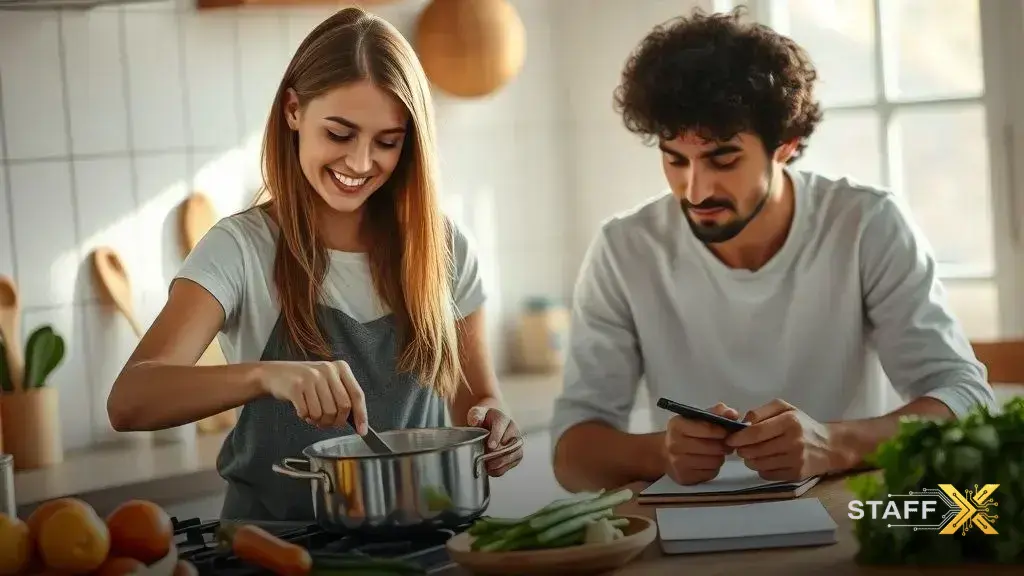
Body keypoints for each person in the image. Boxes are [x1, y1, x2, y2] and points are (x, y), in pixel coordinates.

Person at [550, 8, 997, 493]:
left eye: (723, 158)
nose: (695, 191)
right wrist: (659, 451)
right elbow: (572, 457)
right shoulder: (624, 249)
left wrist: (834, 443)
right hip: (693, 529)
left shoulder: (866, 224)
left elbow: (967, 397)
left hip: (847, 515)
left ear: (785, 144)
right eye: (675, 159)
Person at [106, 7, 523, 521]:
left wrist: (495, 425)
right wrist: (265, 377)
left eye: (387, 142)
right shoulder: (241, 248)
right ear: (293, 111)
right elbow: (130, 399)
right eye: (340, 134)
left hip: (424, 543)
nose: (361, 163)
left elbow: (476, 400)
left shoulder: (442, 247)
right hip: (277, 550)